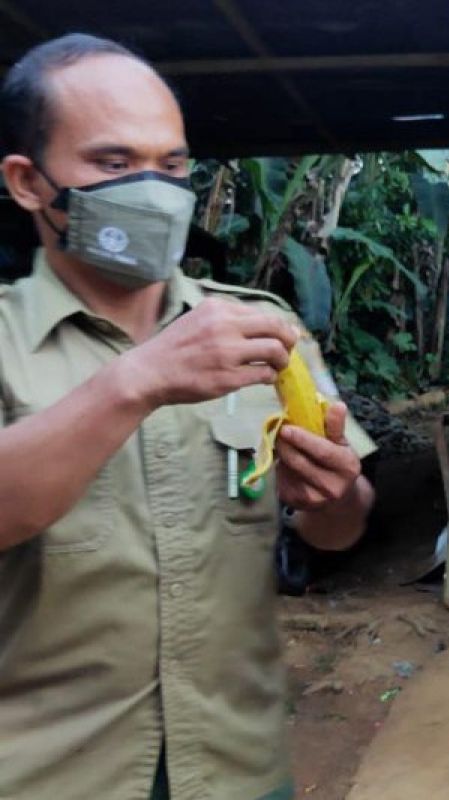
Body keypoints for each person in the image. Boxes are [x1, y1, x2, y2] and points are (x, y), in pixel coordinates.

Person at [0, 35, 376, 799]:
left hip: (237, 769)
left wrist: (334, 499)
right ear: (28, 183)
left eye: (171, 165)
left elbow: (340, 530)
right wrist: (137, 381)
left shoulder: (260, 330)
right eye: (113, 164)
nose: (155, 188)